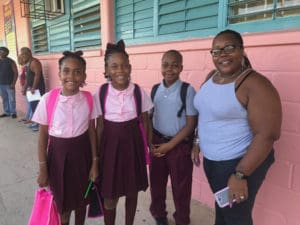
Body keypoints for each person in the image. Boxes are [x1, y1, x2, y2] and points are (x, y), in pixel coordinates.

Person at [193, 29, 282, 225]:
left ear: (242, 50)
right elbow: (206, 114)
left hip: (238, 164)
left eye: (229, 48)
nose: (222, 54)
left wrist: (240, 174)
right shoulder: (211, 77)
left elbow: (267, 134)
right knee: (223, 210)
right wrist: (197, 141)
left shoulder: (255, 84)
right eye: (216, 51)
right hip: (214, 162)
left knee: (237, 217)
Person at [32, 51, 99, 225]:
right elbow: (42, 140)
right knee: (62, 205)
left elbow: (91, 132)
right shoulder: (48, 100)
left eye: (77, 71)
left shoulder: (89, 99)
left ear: (84, 75)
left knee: (82, 201)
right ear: (60, 74)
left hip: (82, 158)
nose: (71, 76)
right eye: (66, 71)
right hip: (58, 160)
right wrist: (43, 169)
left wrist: (94, 162)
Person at [93, 39, 153, 225]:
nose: (120, 70)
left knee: (131, 190)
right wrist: (96, 156)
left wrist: (149, 146)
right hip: (109, 148)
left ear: (130, 67)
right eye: (114, 66)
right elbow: (99, 126)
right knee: (110, 194)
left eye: (124, 66)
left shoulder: (138, 92)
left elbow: (146, 121)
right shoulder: (101, 93)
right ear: (107, 70)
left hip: (133, 147)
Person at [149, 50, 198, 225]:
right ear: (161, 66)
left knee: (181, 187)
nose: (169, 69)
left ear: (181, 68)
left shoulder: (187, 90)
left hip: (178, 145)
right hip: (157, 143)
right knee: (157, 184)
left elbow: (191, 124)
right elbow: (150, 118)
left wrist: (169, 146)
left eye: (175, 65)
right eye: (165, 65)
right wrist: (150, 143)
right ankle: (159, 215)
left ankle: (182, 219)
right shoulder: (156, 89)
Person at [20, 47, 45, 131]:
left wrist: (33, 87)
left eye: (24, 54)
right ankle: (36, 123)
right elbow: (28, 78)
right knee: (33, 106)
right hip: (32, 88)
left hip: (37, 88)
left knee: (38, 106)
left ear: (29, 53)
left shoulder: (35, 62)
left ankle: (38, 125)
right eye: (21, 54)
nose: (23, 56)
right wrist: (25, 87)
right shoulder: (28, 63)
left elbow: (37, 75)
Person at [0, 47, 18, 118]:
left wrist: (13, 83)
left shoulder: (11, 61)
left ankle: (13, 112)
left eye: (2, 51)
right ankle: (6, 112)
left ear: (6, 53)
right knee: (4, 99)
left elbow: (16, 73)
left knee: (12, 99)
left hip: (9, 84)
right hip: (1, 84)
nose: (0, 53)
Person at [17, 54, 32, 123]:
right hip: (25, 87)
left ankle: (30, 118)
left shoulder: (26, 67)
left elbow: (27, 79)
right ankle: (27, 116)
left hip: (28, 87)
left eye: (21, 58)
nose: (20, 60)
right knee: (28, 103)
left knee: (31, 103)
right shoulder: (23, 67)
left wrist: (24, 88)